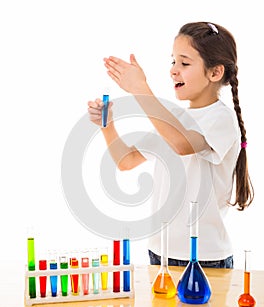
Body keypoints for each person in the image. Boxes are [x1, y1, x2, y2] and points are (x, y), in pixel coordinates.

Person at [87, 21, 254, 268]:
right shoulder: (171, 119)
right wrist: (107, 125)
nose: (174, 70)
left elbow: (181, 144)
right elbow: (126, 160)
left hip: (203, 258)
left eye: (185, 63)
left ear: (215, 72)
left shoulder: (221, 118)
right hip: (159, 252)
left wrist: (140, 89)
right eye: (173, 61)